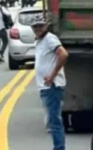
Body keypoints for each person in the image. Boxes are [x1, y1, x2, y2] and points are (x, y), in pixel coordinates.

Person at [31, 12, 68, 150]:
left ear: (46, 26)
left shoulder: (50, 39)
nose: (37, 29)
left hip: (52, 86)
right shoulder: (40, 41)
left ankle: (59, 148)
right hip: (45, 87)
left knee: (54, 121)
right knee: (51, 122)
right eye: (35, 27)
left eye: (40, 26)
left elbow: (63, 54)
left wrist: (52, 76)